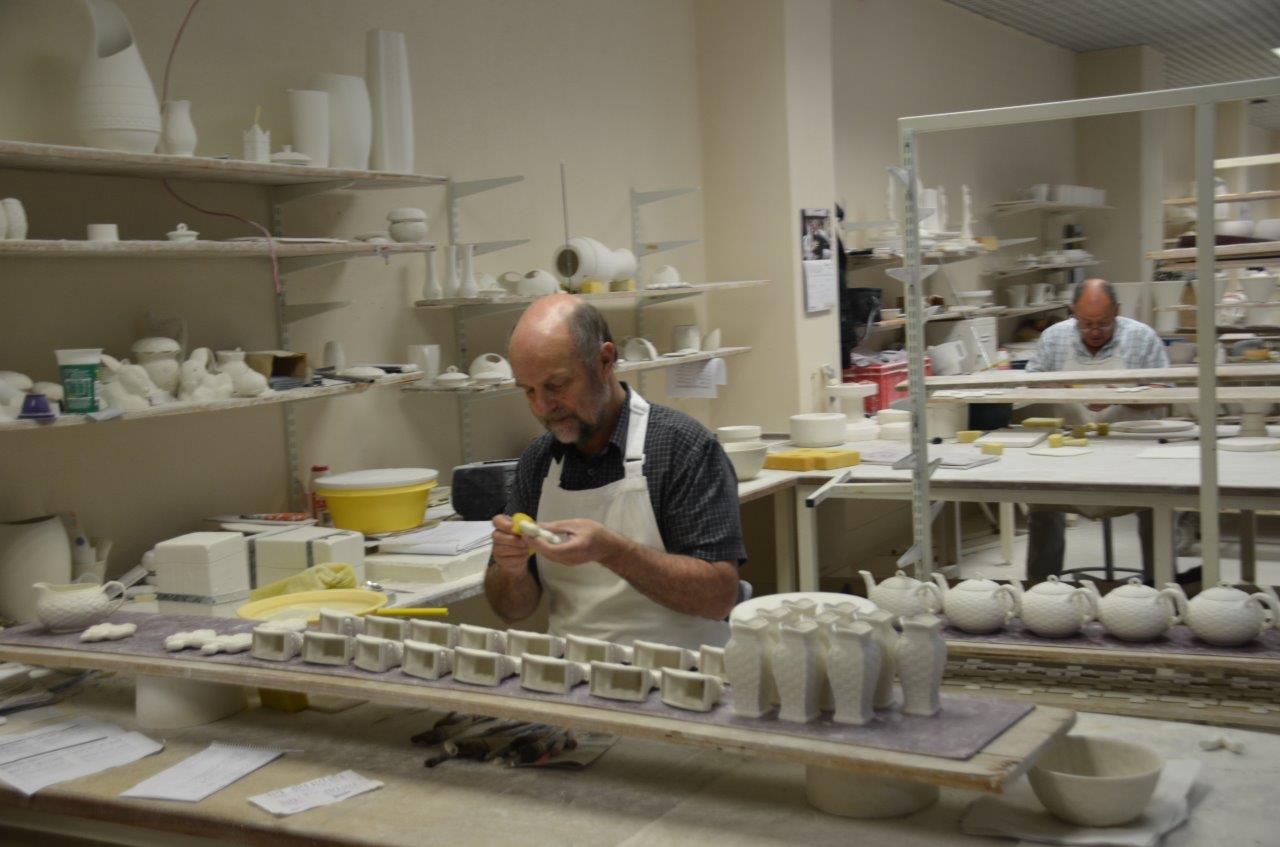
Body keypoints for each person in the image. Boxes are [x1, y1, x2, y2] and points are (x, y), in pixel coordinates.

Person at [484, 295, 745, 649]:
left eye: (556, 385)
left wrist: (612, 552)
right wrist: (510, 570)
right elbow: (513, 609)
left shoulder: (682, 447)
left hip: (681, 669)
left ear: (605, 360)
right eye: (529, 391)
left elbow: (719, 599)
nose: (542, 407)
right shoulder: (538, 461)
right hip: (573, 671)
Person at [1022, 278, 1170, 580]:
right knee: (1041, 499)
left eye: (1103, 323)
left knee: (1161, 504)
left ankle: (1162, 586)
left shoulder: (1141, 337)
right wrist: (1061, 389)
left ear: (1117, 311)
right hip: (1071, 446)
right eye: (1086, 323)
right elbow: (1030, 382)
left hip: (1132, 448)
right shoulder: (1054, 338)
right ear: (1072, 312)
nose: (1094, 331)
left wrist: (1121, 395)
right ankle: (1042, 590)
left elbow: (1166, 392)